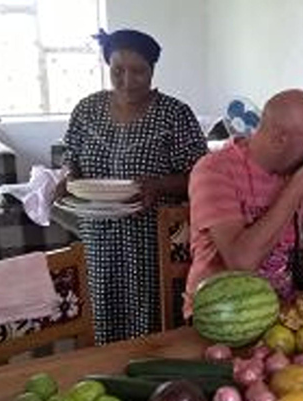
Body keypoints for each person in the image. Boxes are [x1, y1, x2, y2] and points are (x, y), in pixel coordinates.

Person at [63, 29, 207, 342]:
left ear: (153, 70)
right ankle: (108, 371)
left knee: (153, 318)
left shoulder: (174, 114)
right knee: (102, 308)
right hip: (98, 234)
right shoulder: (86, 110)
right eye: (118, 71)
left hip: (152, 237)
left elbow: (203, 177)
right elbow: (69, 156)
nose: (128, 80)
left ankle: (153, 377)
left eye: (138, 71)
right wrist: (69, 176)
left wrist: (159, 184)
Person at [183, 89, 303, 317]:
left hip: (284, 313)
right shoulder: (213, 170)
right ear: (280, 138)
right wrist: (294, 192)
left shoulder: (297, 173)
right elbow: (241, 263)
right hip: (222, 314)